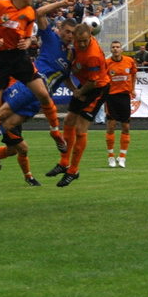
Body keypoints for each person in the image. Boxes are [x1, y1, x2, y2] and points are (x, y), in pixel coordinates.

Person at [0, 0, 65, 169]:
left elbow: (26, 36)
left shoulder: (29, 12)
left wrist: (27, 42)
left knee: (42, 93)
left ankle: (56, 132)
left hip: (18, 57)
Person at [45, 22, 110, 187]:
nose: (82, 44)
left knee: (81, 129)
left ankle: (73, 171)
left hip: (97, 88)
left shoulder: (92, 55)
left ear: (90, 37)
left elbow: (93, 82)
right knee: (68, 121)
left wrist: (78, 92)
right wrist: (75, 89)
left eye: (85, 41)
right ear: (74, 37)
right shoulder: (77, 43)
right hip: (84, 85)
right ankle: (64, 162)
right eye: (79, 41)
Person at [104, 40, 137, 168]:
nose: (116, 49)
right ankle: (111, 157)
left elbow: (134, 74)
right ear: (111, 50)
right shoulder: (107, 63)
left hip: (124, 97)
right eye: (113, 47)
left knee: (126, 127)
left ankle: (122, 157)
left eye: (118, 47)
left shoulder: (129, 61)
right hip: (111, 97)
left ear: (121, 49)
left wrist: (132, 89)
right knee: (111, 126)